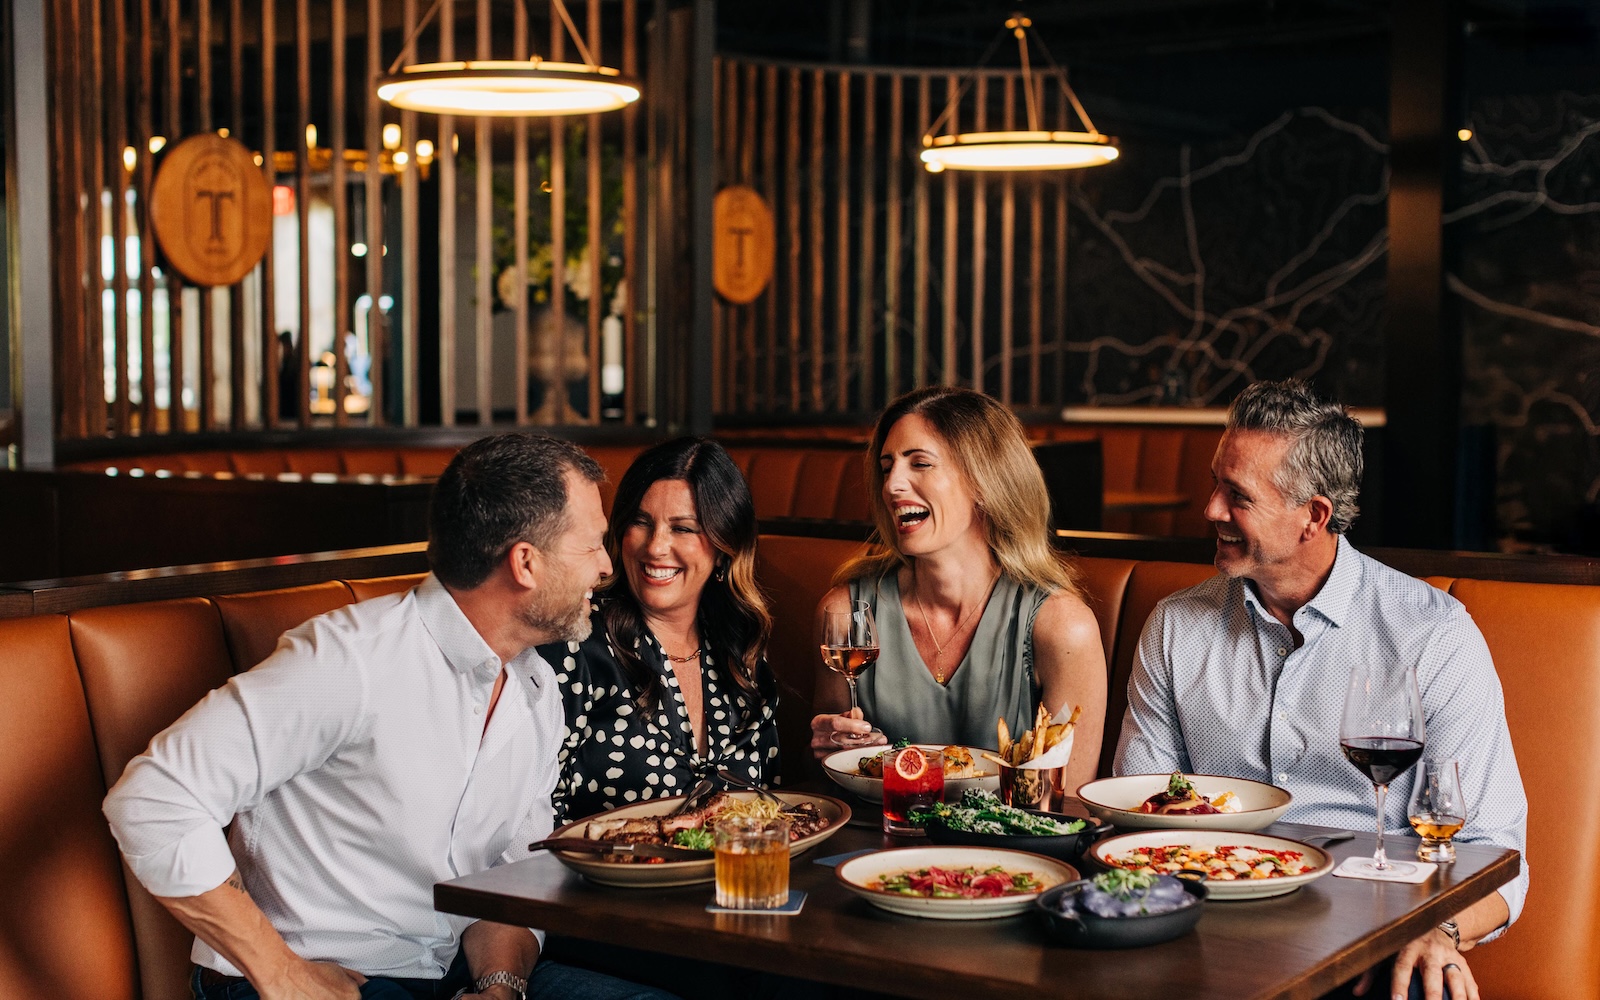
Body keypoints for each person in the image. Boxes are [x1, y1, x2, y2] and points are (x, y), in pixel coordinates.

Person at [103, 433, 675, 1000]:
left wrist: (500, 988)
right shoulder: (350, 659)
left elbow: (507, 878)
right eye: (592, 545)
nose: (606, 567)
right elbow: (153, 797)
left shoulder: (535, 687)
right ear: (525, 562)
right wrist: (279, 971)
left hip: (444, 974)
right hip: (314, 975)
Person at [1114, 379, 1529, 1000]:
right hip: (1207, 914)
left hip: (1368, 929)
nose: (1210, 511)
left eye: (1238, 496)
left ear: (1313, 515)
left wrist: (1438, 929)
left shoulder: (1432, 635)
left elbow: (1493, 848)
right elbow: (1138, 814)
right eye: (1214, 484)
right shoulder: (1176, 625)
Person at [809, 386, 1107, 794]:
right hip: (877, 842)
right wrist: (832, 745)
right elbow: (836, 771)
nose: (892, 485)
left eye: (920, 464)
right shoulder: (848, 611)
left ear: (985, 481)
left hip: (1008, 852)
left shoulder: (1062, 626)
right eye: (887, 466)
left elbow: (1065, 804)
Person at [542, 437, 778, 823]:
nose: (656, 547)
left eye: (683, 528)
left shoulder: (741, 647)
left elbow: (770, 806)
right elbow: (534, 813)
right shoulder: (577, 641)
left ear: (723, 547)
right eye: (641, 522)